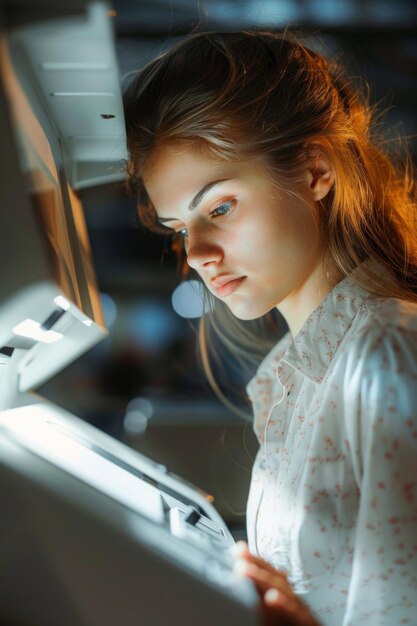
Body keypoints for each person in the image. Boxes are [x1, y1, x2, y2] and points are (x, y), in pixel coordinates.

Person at [123, 31, 417, 626]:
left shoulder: (385, 355)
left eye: (220, 207)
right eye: (180, 227)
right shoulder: (293, 374)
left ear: (314, 171)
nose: (198, 253)